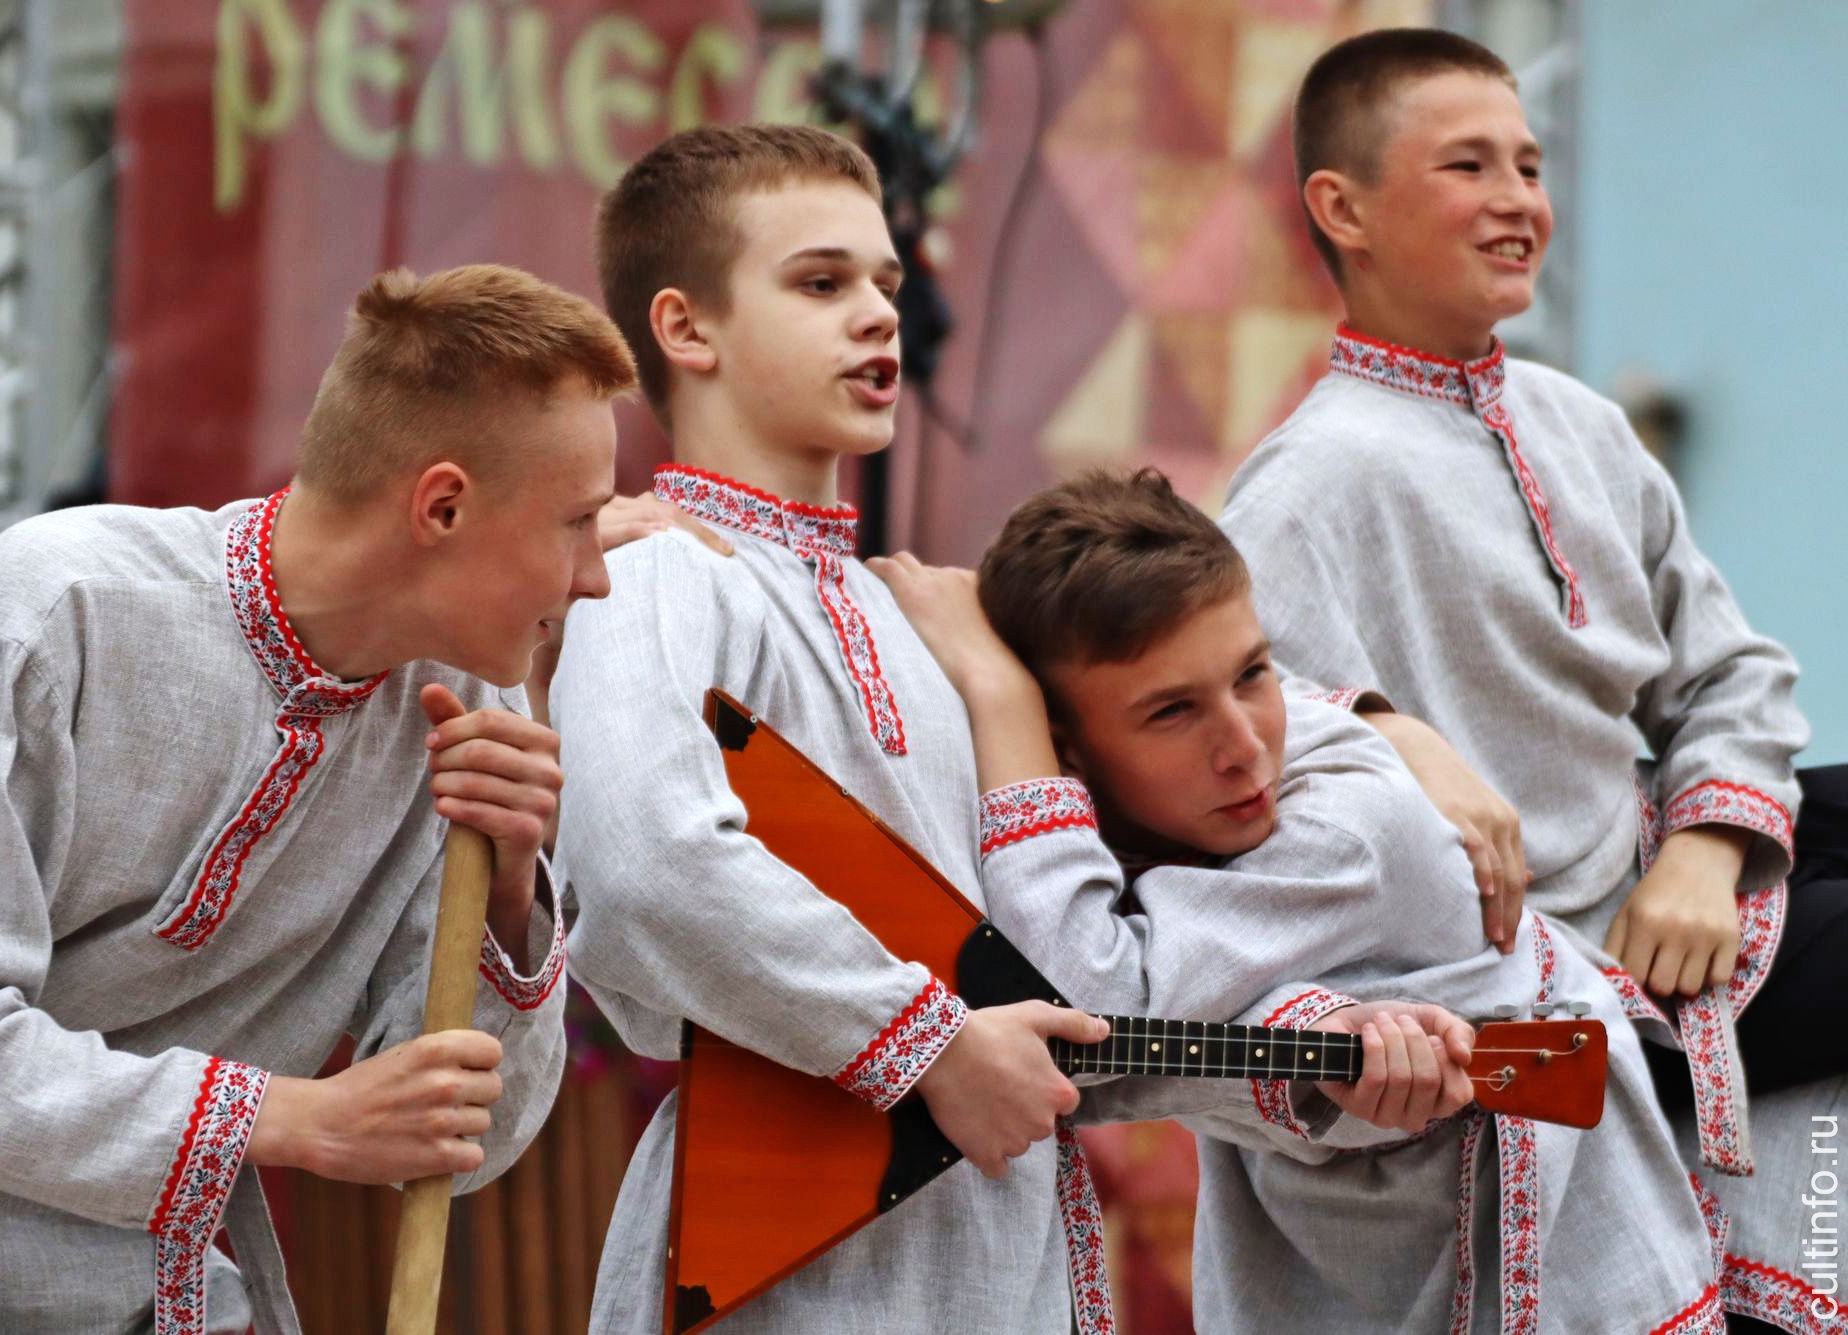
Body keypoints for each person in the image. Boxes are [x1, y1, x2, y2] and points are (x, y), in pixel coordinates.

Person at [549, 123, 1461, 1334]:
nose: (877, 316)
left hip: (1007, 1256)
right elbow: (640, 866)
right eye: (819, 283)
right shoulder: (662, 574)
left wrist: (1331, 1057)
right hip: (791, 1268)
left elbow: (1072, 974)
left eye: (886, 283)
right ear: (684, 328)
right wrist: (927, 1046)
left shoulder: (928, 619)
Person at [0, 263, 628, 1334]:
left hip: (174, 1303)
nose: (595, 576)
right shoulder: (53, 613)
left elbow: (460, 1146)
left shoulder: (463, 710)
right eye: (577, 522)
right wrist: (290, 1117)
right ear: (441, 504)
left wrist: (509, 891)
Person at [1219, 27, 1846, 1331]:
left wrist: (1707, 851)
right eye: (1467, 166)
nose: (1517, 199)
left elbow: (1731, 671)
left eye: (1529, 163)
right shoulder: (1307, 483)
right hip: (1550, 966)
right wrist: (1392, 734)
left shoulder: (1580, 424)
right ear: (1342, 208)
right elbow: (1259, 765)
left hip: (1659, 878)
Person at [874, 466, 1731, 1334]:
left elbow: (1084, 1015)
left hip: (1562, 1282)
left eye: (1254, 672)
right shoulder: (1214, 772)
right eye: (1173, 712)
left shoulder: (1346, 829)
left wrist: (999, 695)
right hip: (1345, 1265)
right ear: (1070, 751)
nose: (1246, 747)